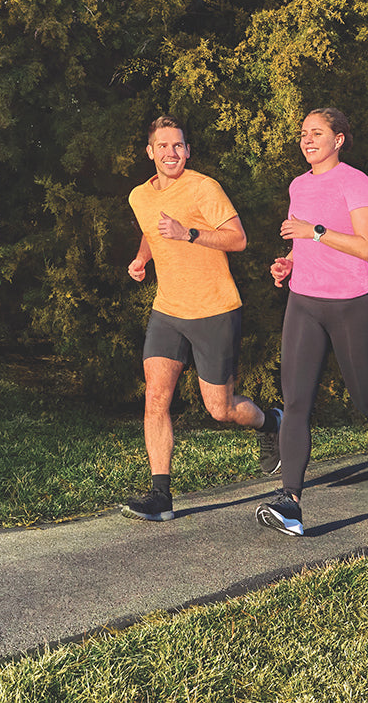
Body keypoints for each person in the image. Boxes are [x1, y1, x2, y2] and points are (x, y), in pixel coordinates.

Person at [256, 107, 368, 537]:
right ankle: (290, 501)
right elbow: (302, 240)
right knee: (295, 404)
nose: (307, 139)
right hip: (304, 303)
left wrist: (315, 232)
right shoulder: (298, 184)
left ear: (339, 139)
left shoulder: (355, 182)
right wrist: (288, 263)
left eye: (317, 132)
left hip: (351, 305)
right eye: (303, 133)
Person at [120, 116, 283, 522]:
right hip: (168, 310)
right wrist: (143, 257)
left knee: (219, 408)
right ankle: (161, 496)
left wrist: (188, 233)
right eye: (163, 146)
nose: (171, 153)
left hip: (214, 309)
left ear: (188, 151)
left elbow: (238, 239)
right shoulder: (139, 195)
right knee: (155, 397)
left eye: (178, 146)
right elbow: (152, 229)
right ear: (150, 152)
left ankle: (270, 424)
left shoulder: (205, 188)